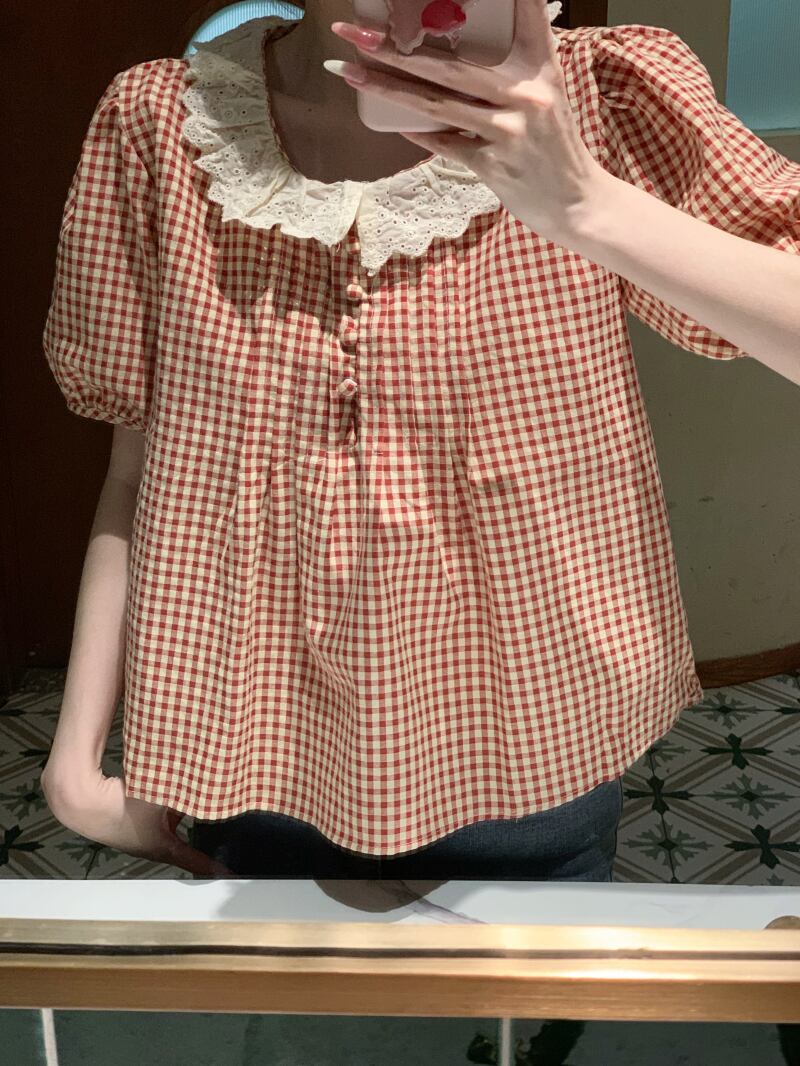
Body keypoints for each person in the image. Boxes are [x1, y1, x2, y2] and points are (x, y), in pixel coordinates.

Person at [40, 0, 800, 882]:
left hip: (534, 740)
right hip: (254, 744)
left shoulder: (602, 96)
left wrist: (583, 201)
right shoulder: (158, 126)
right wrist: (78, 755)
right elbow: (140, 470)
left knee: (536, 970)